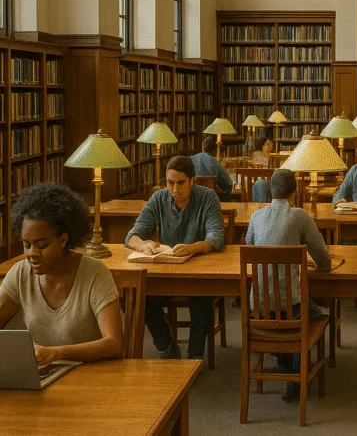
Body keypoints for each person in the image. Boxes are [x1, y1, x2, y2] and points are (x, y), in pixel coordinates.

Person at [0, 183, 124, 365]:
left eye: (42, 245)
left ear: (63, 239)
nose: (32, 253)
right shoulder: (20, 273)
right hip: (42, 377)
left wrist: (57, 353)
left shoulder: (94, 273)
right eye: (27, 245)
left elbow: (114, 344)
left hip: (91, 378)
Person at [244, 169, 332, 403]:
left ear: (271, 191)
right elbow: (323, 260)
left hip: (258, 308)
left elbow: (250, 248)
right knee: (313, 312)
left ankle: (283, 361)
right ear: (296, 191)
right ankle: (294, 371)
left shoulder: (256, 217)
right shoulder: (300, 216)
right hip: (291, 309)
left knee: (296, 307)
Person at [126, 155, 226, 360]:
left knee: (201, 299)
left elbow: (216, 237)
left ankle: (194, 357)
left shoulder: (208, 197)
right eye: (170, 183)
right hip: (166, 270)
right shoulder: (158, 198)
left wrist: (194, 248)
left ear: (193, 180)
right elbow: (132, 235)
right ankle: (167, 347)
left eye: (181, 183)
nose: (175, 189)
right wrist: (142, 244)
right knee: (139, 295)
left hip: (197, 271)